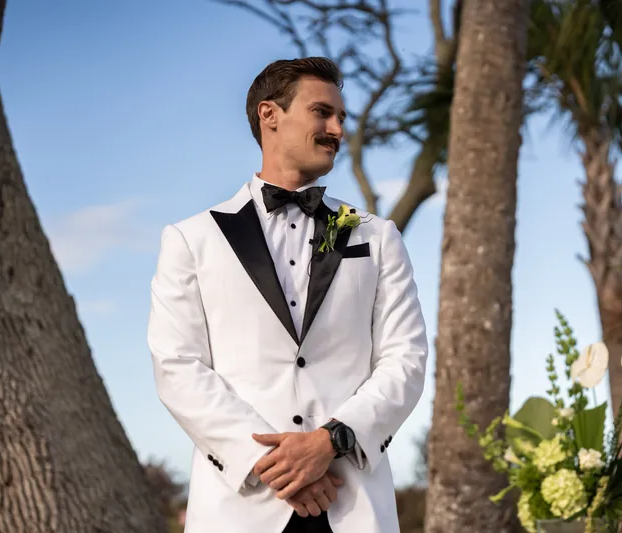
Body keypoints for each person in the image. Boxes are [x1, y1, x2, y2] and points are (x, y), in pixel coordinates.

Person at [147, 56, 428, 533]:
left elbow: (406, 359)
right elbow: (177, 366)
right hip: (244, 504)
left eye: (341, 118)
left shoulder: (377, 237)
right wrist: (274, 464)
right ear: (269, 115)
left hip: (351, 501)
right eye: (323, 112)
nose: (337, 128)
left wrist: (330, 442)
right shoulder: (191, 239)